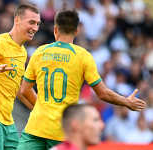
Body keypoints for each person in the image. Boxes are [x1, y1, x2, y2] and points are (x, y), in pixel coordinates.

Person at [17, 10, 146, 150]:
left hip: (35, 128)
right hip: (63, 131)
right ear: (77, 30)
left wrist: (41, 108)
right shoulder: (83, 56)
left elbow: (24, 90)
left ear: (55, 29)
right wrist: (126, 101)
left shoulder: (39, 52)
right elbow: (102, 93)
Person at [0, 3, 41, 150]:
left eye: (37, 24)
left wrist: (41, 111)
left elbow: (19, 90)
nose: (35, 28)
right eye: (31, 22)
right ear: (17, 20)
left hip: (7, 120)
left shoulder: (23, 52)